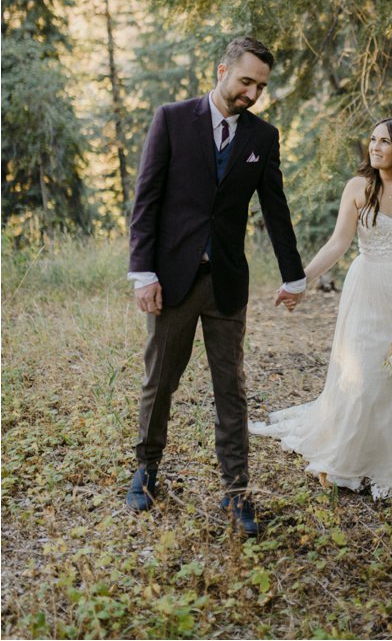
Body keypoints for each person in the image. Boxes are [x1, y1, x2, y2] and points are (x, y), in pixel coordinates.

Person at [126, 36, 306, 534]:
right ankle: (146, 467)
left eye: (261, 86)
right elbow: (146, 202)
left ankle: (237, 488)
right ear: (223, 69)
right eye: (246, 81)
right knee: (160, 378)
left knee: (232, 388)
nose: (252, 93)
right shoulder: (172, 118)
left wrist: (294, 274)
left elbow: (275, 208)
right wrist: (143, 273)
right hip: (172, 280)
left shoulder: (263, 137)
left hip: (227, 282)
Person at [251, 118, 392, 500]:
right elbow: (338, 243)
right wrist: (299, 281)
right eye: (372, 139)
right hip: (367, 290)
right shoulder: (358, 187)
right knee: (367, 374)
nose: (375, 147)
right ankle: (356, 456)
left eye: (384, 141)